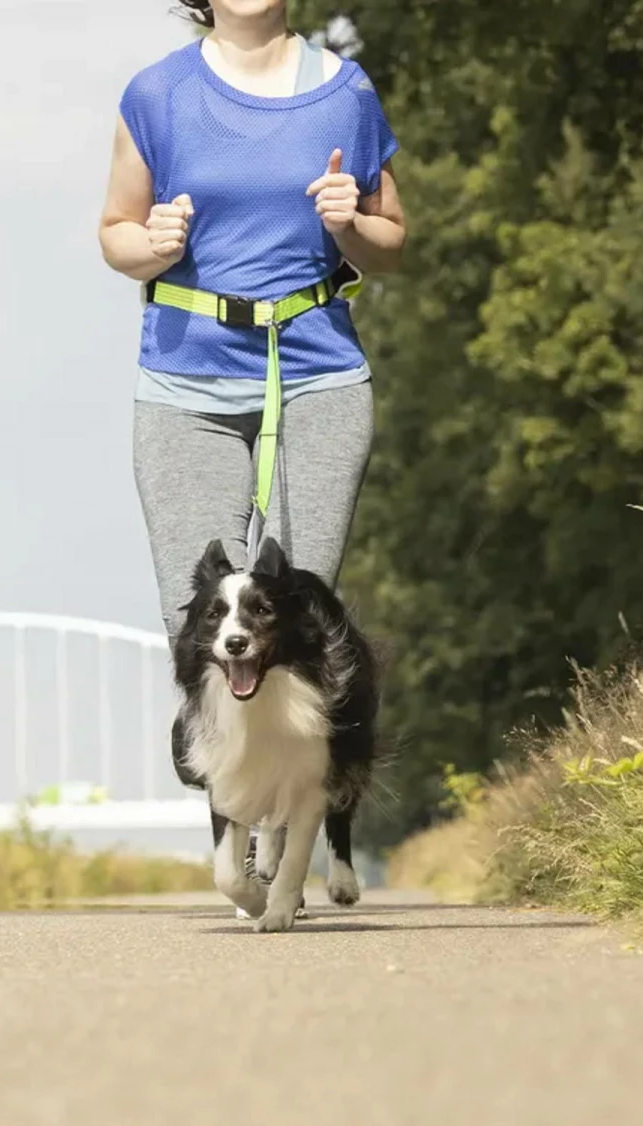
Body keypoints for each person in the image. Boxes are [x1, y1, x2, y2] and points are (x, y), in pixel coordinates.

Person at [98, 0, 406, 789]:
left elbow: (391, 239)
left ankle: (292, 801)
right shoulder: (158, 94)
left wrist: (350, 226)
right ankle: (230, 789)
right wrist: (153, 244)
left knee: (296, 610)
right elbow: (115, 233)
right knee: (202, 612)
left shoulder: (347, 93)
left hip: (317, 376)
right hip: (185, 383)